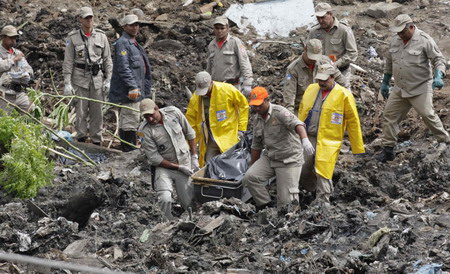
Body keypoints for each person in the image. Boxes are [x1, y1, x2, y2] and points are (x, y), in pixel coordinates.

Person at [377, 14, 449, 162]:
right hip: (400, 88)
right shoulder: (395, 41)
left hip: (420, 86)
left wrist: (439, 76)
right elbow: (389, 62)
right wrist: (384, 82)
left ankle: (445, 142)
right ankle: (388, 150)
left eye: (402, 31)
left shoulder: (424, 40)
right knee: (389, 116)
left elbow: (438, 59)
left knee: (427, 114)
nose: (400, 34)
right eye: (397, 32)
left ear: (411, 27)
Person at [298, 63, 365, 202]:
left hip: (330, 140)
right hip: (309, 136)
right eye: (319, 80)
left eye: (325, 80)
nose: (321, 83)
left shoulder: (344, 95)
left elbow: (353, 122)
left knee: (323, 170)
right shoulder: (311, 89)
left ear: (333, 77)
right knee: (301, 168)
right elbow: (302, 111)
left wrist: (357, 147)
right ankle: (312, 190)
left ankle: (323, 201)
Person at [242, 87, 314, 210]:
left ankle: (290, 219)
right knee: (250, 177)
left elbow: (298, 124)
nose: (257, 108)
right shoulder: (257, 119)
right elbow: (256, 146)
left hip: (289, 159)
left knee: (287, 204)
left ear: (267, 100)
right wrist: (252, 165)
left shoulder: (279, 112)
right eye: (254, 106)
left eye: (259, 105)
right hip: (271, 156)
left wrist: (305, 140)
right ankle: (266, 207)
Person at [139, 99, 198, 221]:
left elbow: (190, 133)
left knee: (188, 204)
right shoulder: (143, 131)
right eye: (146, 117)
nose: (149, 119)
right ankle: (166, 224)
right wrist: (178, 167)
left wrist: (194, 156)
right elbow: (154, 158)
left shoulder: (174, 113)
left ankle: (190, 222)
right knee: (165, 198)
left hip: (184, 162)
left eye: (151, 115)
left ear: (156, 108)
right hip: (164, 167)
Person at [63, 7, 113, 145]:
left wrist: (109, 79)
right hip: (79, 79)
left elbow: (108, 59)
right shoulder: (72, 38)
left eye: (91, 17)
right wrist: (67, 82)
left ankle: (97, 141)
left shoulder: (101, 36)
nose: (89, 20)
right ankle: (81, 139)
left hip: (97, 78)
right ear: (80, 19)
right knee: (81, 112)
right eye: (86, 18)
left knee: (97, 112)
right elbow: (68, 61)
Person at [186, 71, 249, 167]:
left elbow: (243, 105)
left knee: (230, 165)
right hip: (210, 138)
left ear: (211, 82)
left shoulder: (227, 90)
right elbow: (191, 122)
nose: (204, 93)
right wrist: (191, 145)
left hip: (229, 135)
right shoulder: (196, 98)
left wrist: (241, 128)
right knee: (209, 165)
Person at [109, 14, 152, 152]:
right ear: (124, 27)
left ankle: (132, 148)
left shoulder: (135, 44)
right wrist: (132, 86)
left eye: (137, 25)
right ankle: (128, 151)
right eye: (132, 25)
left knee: (135, 121)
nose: (135, 28)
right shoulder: (123, 43)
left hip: (139, 90)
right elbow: (123, 68)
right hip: (130, 92)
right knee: (129, 122)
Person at [282, 39, 343, 114]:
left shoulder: (325, 62)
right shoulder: (293, 69)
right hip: (303, 109)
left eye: (316, 58)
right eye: (310, 57)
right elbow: (289, 98)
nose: (313, 60)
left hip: (324, 106)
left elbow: (341, 80)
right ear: (305, 49)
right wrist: (292, 120)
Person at [308, 2, 357, 89]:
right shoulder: (314, 32)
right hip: (320, 73)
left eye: (323, 17)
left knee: (343, 96)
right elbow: (308, 51)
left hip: (341, 71)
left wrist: (336, 64)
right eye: (318, 18)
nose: (320, 21)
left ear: (330, 14)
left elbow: (352, 53)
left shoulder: (343, 30)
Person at [206, 16, 253, 95]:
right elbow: (209, 67)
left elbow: (244, 62)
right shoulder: (212, 45)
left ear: (228, 28)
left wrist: (247, 81)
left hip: (232, 87)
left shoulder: (235, 42)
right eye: (217, 28)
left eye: (222, 28)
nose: (219, 31)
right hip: (216, 87)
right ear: (213, 29)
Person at [0, 25, 34, 112]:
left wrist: (27, 74)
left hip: (18, 92)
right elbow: (1, 66)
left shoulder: (17, 53)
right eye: (11, 38)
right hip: (4, 93)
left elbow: (28, 67)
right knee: (4, 119)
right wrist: (14, 60)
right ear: (3, 37)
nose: (13, 40)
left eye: (15, 38)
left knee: (31, 110)